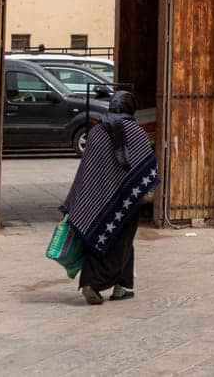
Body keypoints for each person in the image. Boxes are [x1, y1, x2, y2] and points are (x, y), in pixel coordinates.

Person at [61, 90, 159, 304]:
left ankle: (122, 286)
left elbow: (86, 170)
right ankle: (92, 282)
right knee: (120, 241)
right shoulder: (136, 131)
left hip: (95, 200)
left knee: (105, 240)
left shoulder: (96, 131)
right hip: (126, 199)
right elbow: (147, 166)